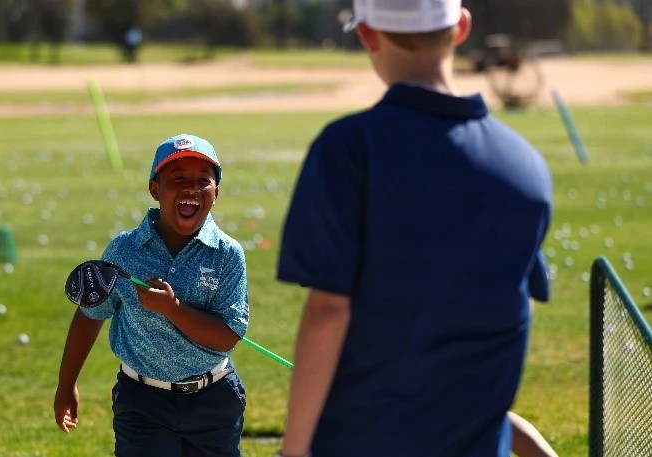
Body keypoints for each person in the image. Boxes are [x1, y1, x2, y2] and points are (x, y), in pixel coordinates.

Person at [275, 1, 553, 456]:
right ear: (460, 27)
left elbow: (328, 311)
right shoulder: (524, 166)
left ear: (367, 34)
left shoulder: (348, 149)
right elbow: (515, 310)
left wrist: (295, 450)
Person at [54, 133, 249, 457]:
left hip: (213, 400)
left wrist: (172, 309)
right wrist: (66, 384)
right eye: (177, 178)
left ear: (216, 194)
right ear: (155, 189)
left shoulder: (227, 254)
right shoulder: (124, 251)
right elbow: (89, 316)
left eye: (203, 180)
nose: (191, 188)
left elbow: (226, 337)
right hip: (142, 401)